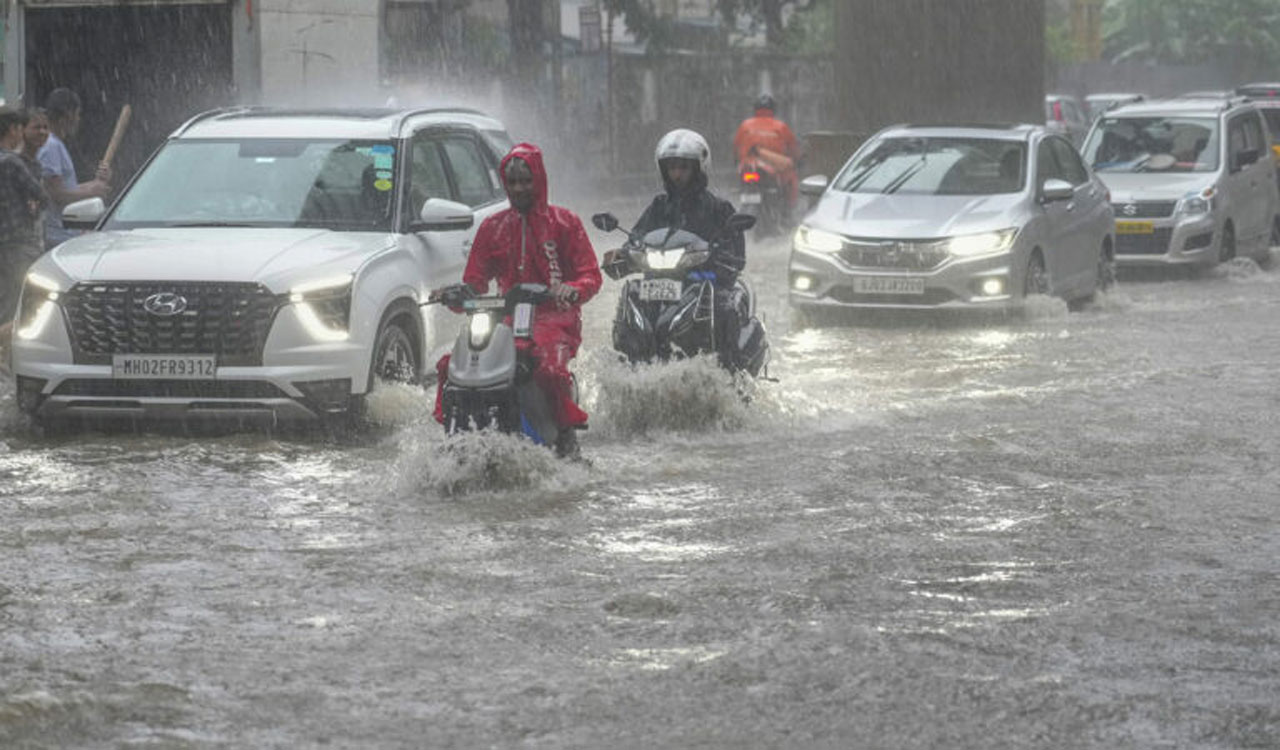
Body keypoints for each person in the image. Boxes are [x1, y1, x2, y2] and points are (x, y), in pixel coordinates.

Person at [432, 143, 602, 457]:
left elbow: (591, 274)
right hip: (503, 316)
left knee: (548, 369)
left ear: (539, 180)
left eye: (526, 181)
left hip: (554, 317)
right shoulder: (493, 227)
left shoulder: (565, 223)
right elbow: (475, 283)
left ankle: (564, 438)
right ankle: (453, 436)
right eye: (512, 182)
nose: (519, 188)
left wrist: (571, 289)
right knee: (451, 365)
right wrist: (452, 294)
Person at [624, 128, 749, 369]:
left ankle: (732, 375)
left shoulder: (719, 208)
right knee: (631, 294)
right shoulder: (659, 207)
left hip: (702, 279)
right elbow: (636, 236)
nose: (677, 174)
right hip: (658, 279)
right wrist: (625, 251)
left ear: (698, 168)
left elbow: (737, 256)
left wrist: (719, 256)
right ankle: (629, 363)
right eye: (672, 168)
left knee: (726, 307)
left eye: (683, 167)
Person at [0, 106, 51, 342]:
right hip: (20, 242)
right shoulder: (11, 162)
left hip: (5, 243)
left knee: (7, 299)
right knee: (20, 303)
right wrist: (34, 204)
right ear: (14, 130)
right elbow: (42, 196)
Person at [38, 88, 111, 250]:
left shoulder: (55, 144)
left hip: (65, 234)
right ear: (67, 115)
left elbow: (66, 188)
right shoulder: (51, 147)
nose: (79, 120)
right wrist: (91, 192)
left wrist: (94, 184)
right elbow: (57, 195)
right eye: (77, 114)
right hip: (58, 236)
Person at [732, 93, 801, 217]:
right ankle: (788, 212)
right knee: (790, 181)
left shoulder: (745, 125)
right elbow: (793, 148)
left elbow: (736, 147)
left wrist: (737, 161)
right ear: (773, 110)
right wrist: (796, 160)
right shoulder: (781, 127)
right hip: (773, 169)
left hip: (747, 167)